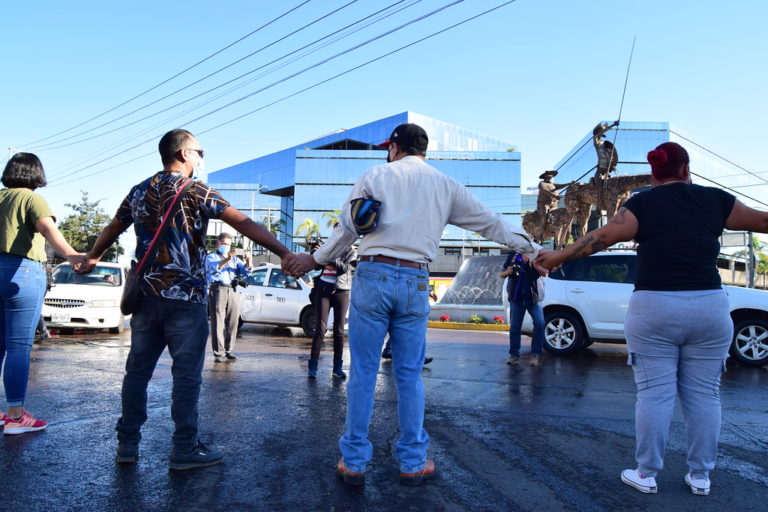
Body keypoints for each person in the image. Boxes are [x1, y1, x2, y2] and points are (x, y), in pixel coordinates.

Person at [284, 123, 542, 487]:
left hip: (373, 275)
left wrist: (316, 258)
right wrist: (532, 249)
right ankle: (412, 461)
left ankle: (354, 462)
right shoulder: (445, 185)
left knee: (363, 371)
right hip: (416, 279)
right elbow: (490, 222)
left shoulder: (375, 175)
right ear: (423, 151)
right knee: (408, 374)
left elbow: (348, 227)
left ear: (394, 147)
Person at [535, 142, 768, 496]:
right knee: (705, 395)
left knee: (654, 394)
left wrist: (556, 257)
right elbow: (764, 220)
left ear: (654, 174)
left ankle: (646, 474)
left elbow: (600, 237)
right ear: (686, 168)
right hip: (708, 307)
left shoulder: (640, 204)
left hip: (655, 307)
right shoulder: (717, 201)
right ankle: (701, 476)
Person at [81, 129, 292, 470]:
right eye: (199, 152)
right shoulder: (196, 190)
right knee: (186, 376)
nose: (201, 158)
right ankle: (183, 449)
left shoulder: (139, 190)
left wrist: (92, 256)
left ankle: (127, 445)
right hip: (186, 297)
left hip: (146, 297)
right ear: (182, 154)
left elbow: (112, 228)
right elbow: (245, 223)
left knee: (137, 374)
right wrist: (284, 252)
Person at [0, 153, 85, 434]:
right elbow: (47, 228)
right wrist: (71, 254)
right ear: (36, 172)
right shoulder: (31, 199)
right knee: (19, 347)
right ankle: (15, 416)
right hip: (22, 272)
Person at [308, 243, 357, 379]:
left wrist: (328, 255)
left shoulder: (352, 251)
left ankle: (337, 368)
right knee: (320, 329)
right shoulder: (329, 247)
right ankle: (312, 368)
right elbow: (317, 266)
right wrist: (316, 253)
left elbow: (344, 268)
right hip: (323, 289)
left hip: (341, 292)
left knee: (339, 331)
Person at [206, 232, 250, 363]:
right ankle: (218, 352)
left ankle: (229, 349)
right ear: (218, 243)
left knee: (233, 321)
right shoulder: (211, 256)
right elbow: (215, 268)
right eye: (224, 244)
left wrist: (248, 260)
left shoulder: (235, 259)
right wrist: (227, 259)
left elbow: (246, 271)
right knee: (218, 321)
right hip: (218, 289)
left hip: (233, 289)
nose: (226, 246)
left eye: (228, 244)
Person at [500, 250, 545, 366]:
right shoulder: (513, 256)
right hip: (516, 298)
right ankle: (514, 355)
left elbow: (546, 273)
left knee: (540, 323)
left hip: (533, 298)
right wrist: (508, 271)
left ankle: (535, 354)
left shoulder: (537, 255)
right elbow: (501, 274)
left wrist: (534, 263)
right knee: (515, 327)